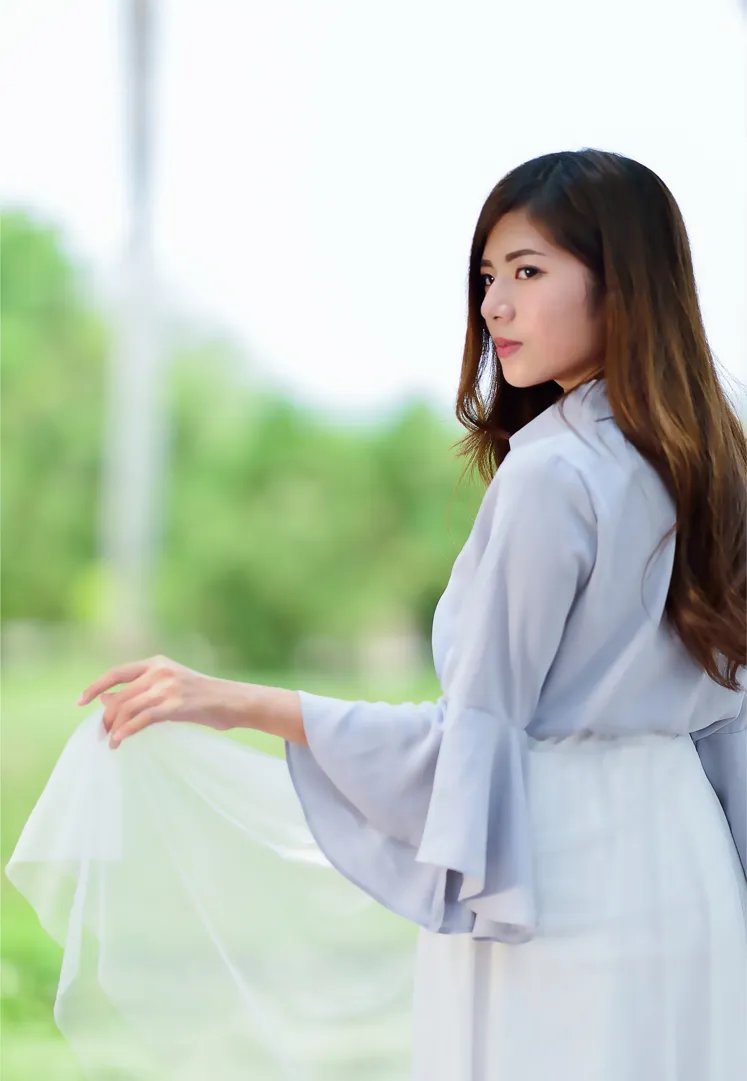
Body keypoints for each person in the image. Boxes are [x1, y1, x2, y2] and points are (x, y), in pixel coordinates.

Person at [9, 148, 747, 1080]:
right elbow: (731, 721)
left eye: (527, 271)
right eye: (487, 276)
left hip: (554, 879)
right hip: (690, 869)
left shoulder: (552, 475)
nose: (493, 307)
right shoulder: (717, 462)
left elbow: (471, 743)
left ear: (625, 285)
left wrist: (233, 700)